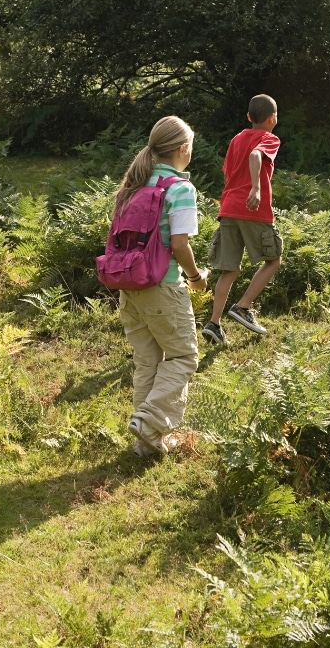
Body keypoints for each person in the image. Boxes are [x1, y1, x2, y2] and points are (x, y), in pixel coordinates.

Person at [116, 116, 209, 457]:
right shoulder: (180, 189)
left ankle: (146, 443)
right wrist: (197, 278)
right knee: (184, 356)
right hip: (164, 285)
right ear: (183, 149)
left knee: (148, 361)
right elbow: (181, 245)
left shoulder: (134, 184)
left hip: (130, 287)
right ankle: (149, 419)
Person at [201, 94, 282, 345]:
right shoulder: (269, 138)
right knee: (274, 260)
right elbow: (256, 156)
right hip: (252, 209)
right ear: (272, 119)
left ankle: (214, 324)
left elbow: (227, 170)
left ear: (248, 117)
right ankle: (243, 307)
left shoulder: (236, 139)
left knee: (229, 269)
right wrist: (256, 189)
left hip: (228, 208)